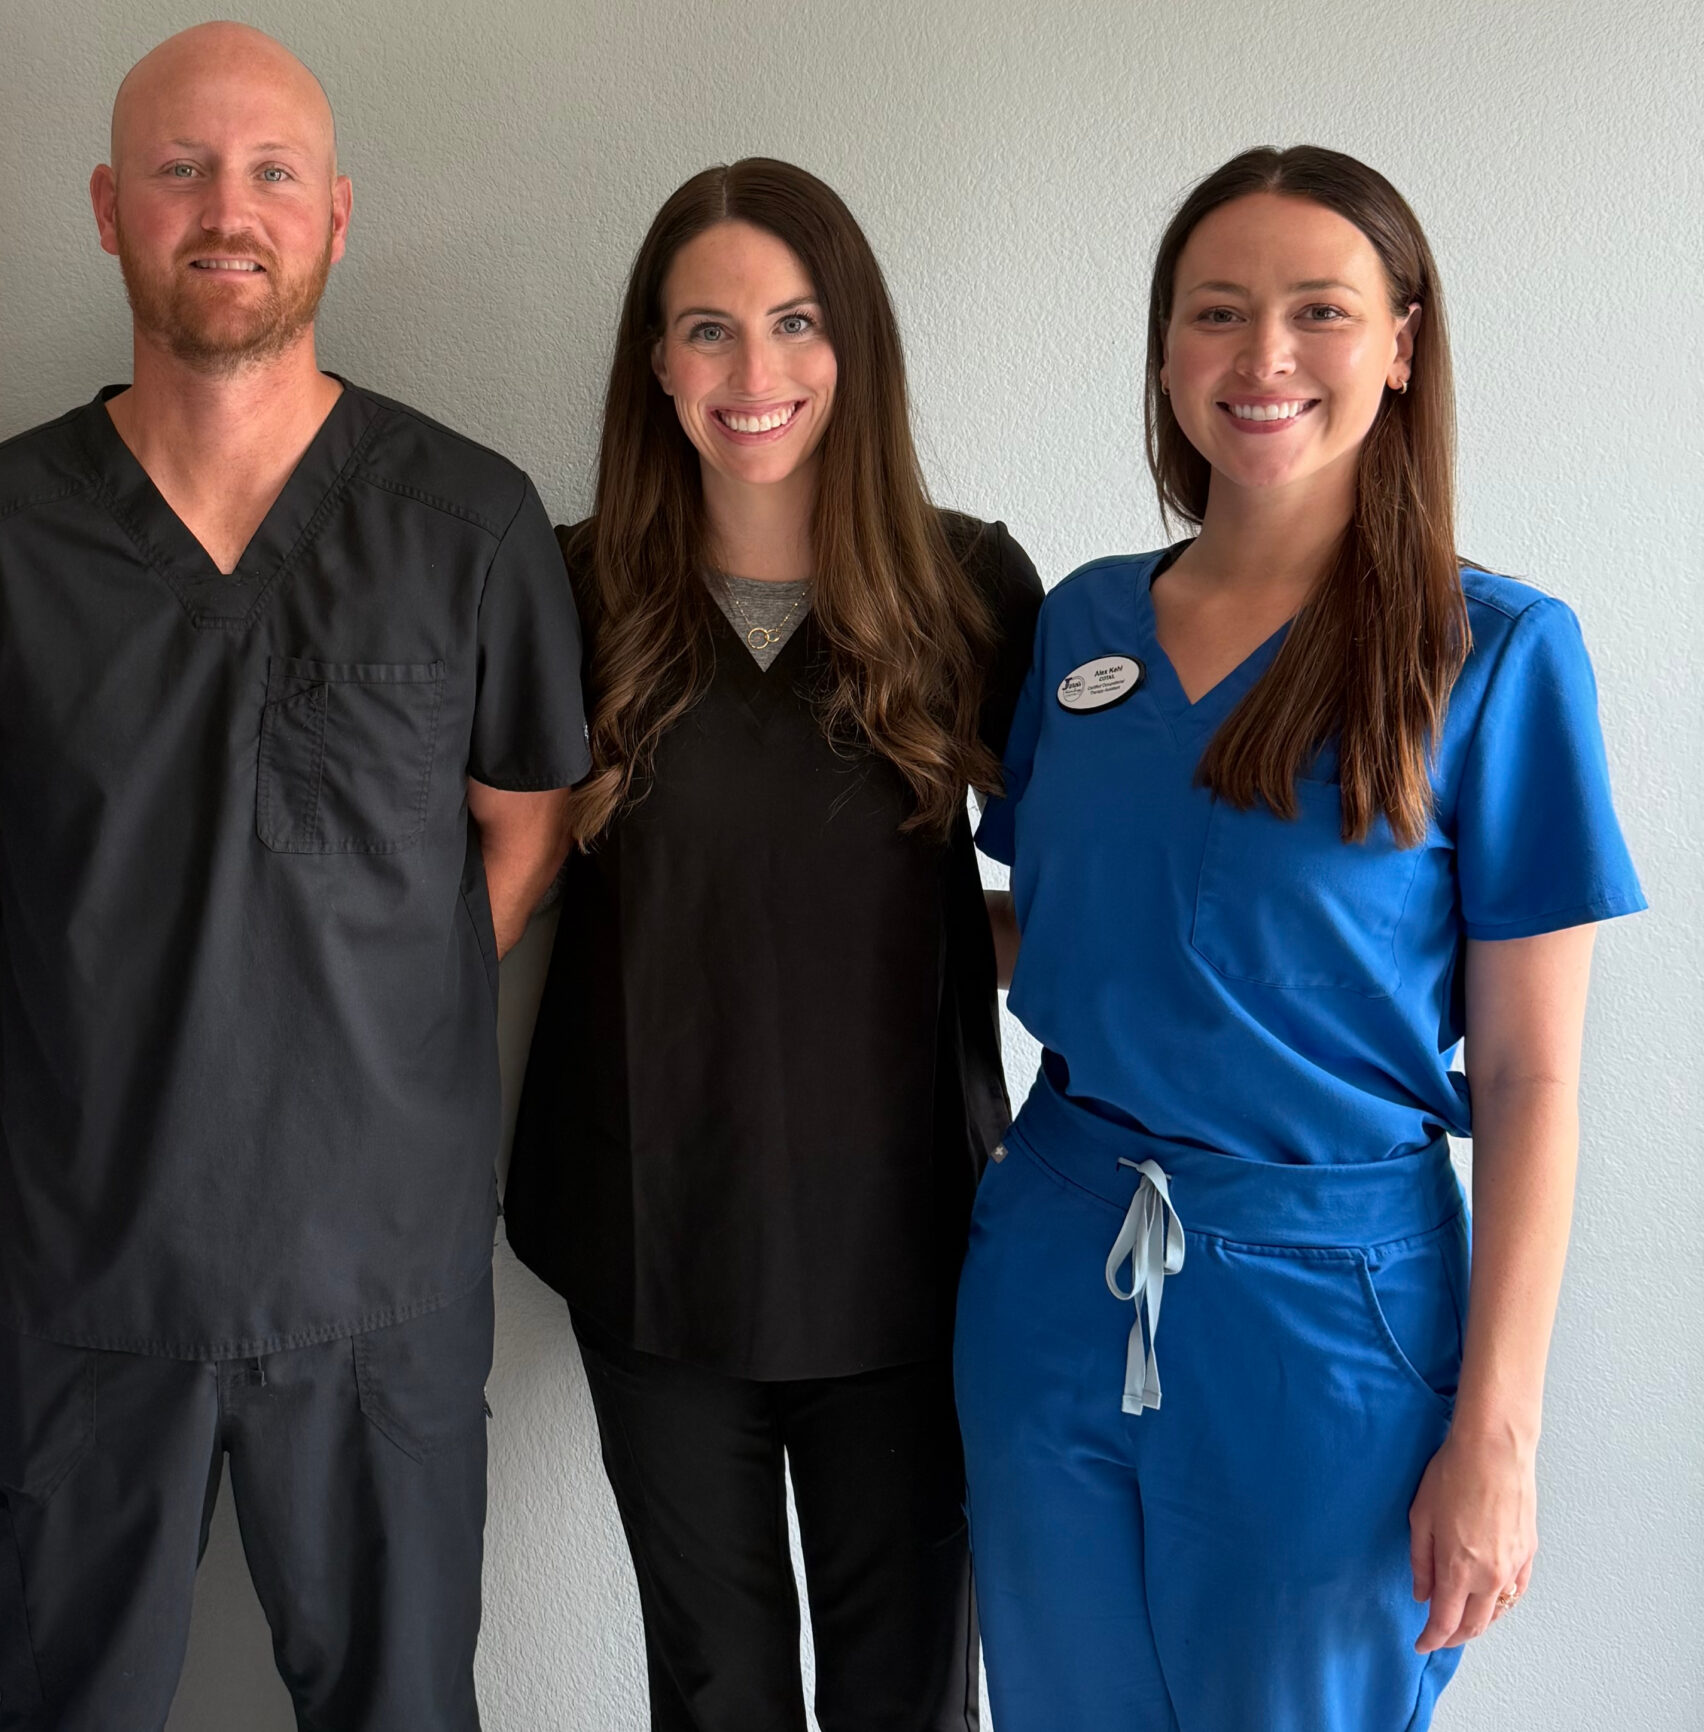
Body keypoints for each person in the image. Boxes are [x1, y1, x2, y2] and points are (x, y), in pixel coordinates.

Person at [0, 23, 588, 1731]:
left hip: (377, 1271)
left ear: (336, 216)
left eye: (271, 171)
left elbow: (526, 832)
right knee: (72, 1701)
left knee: (404, 1705)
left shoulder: (466, 521)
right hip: (93, 1257)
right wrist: (133, 974)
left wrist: (349, 990)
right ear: (111, 210)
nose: (226, 207)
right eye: (182, 170)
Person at [954, 146, 1646, 1731]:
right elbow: (1077, 933)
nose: (1263, 358)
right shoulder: (1082, 624)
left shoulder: (1499, 655)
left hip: (1328, 1309)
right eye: (1217, 313)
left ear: (1402, 342)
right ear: (1167, 352)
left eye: (1318, 311)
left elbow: (1534, 1079)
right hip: (1057, 1258)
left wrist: (1500, 1436)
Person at [506, 159, 1042, 1731]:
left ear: (852, 347)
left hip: (910, 1242)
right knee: (714, 1687)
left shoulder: (967, 590)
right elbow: (462, 898)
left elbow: (1085, 890)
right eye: (710, 331)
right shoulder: (566, 592)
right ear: (657, 364)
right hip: (652, 1239)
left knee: (910, 1690)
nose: (756, 375)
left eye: (796, 324)